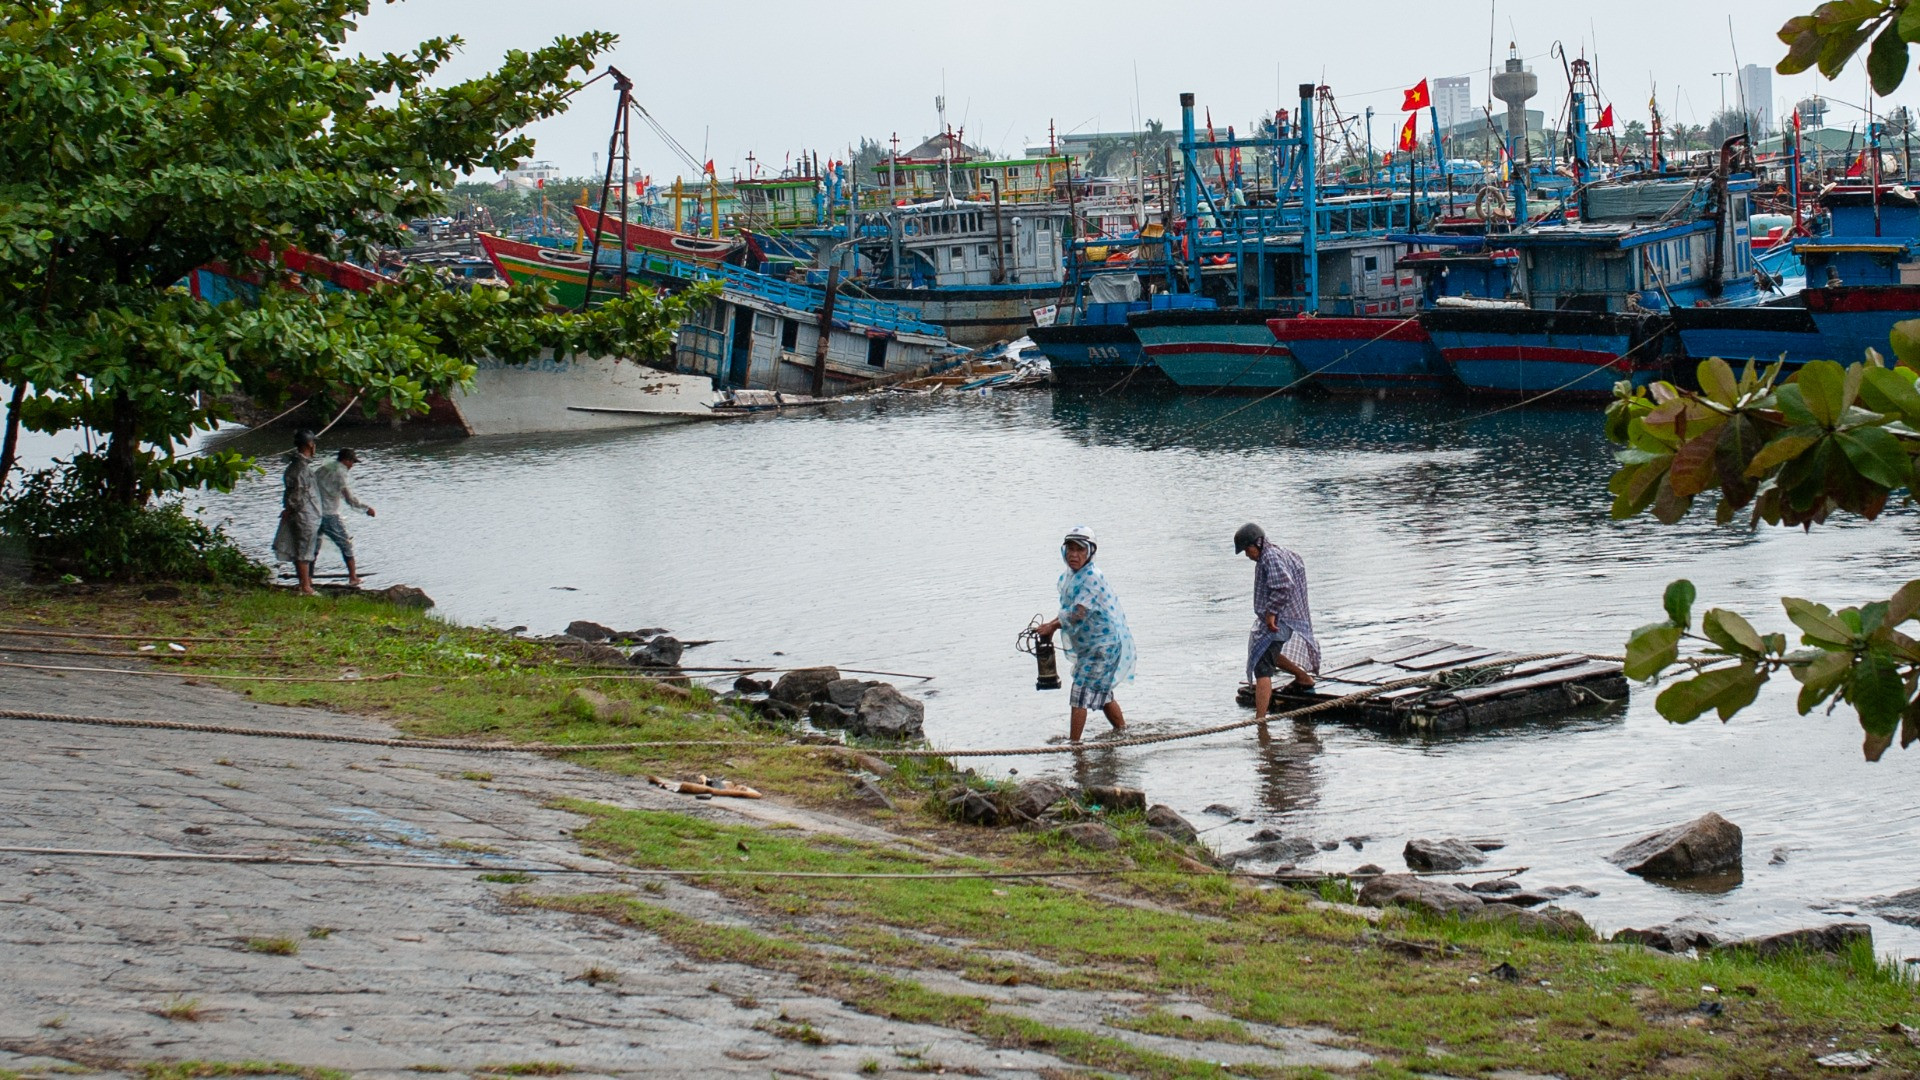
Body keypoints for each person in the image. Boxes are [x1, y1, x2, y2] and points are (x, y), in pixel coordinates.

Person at [1035, 526, 1135, 741]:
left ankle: (1075, 746)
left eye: (1080, 550)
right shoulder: (1073, 576)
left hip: (1103, 646)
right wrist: (1050, 626)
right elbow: (1069, 610)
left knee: (1079, 694)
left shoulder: (1091, 577)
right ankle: (1123, 733)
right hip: (1091, 646)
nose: (1074, 554)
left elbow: (1079, 612)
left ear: (1090, 552)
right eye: (1070, 549)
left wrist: (1052, 627)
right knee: (1103, 694)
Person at [1234, 522, 1320, 721]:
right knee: (1266, 653)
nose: (1248, 555)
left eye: (1248, 550)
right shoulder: (1276, 553)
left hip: (1280, 619)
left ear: (1259, 543)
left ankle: (1260, 720)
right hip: (1285, 617)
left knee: (1262, 667)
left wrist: (1271, 613)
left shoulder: (1270, 557)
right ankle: (1304, 678)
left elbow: (1283, 586)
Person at [314, 447, 376, 587]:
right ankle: (353, 578)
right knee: (346, 545)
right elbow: (349, 498)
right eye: (352, 462)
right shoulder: (340, 473)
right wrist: (366, 508)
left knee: (313, 547)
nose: (352, 466)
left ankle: (307, 580)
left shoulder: (322, 470)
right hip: (329, 515)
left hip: (315, 514)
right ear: (346, 460)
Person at [271, 430, 322, 595]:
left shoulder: (299, 466)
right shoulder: (300, 468)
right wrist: (290, 509)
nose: (315, 447)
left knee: (302, 548)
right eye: (313, 443)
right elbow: (297, 494)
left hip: (305, 514)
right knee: (304, 550)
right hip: (303, 515)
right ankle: (305, 586)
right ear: (309, 445)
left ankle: (305, 583)